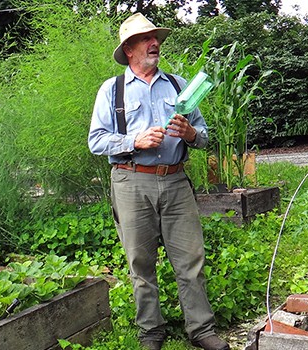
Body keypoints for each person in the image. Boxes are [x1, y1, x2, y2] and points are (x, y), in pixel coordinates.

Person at [87, 13, 230, 350]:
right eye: (146, 39)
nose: (155, 44)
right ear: (130, 48)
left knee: (191, 260)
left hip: (176, 181)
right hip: (131, 182)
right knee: (140, 263)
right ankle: (151, 332)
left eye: (156, 38)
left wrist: (192, 134)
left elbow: (204, 136)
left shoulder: (180, 85)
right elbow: (96, 140)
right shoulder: (113, 90)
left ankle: (201, 330)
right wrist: (133, 141)